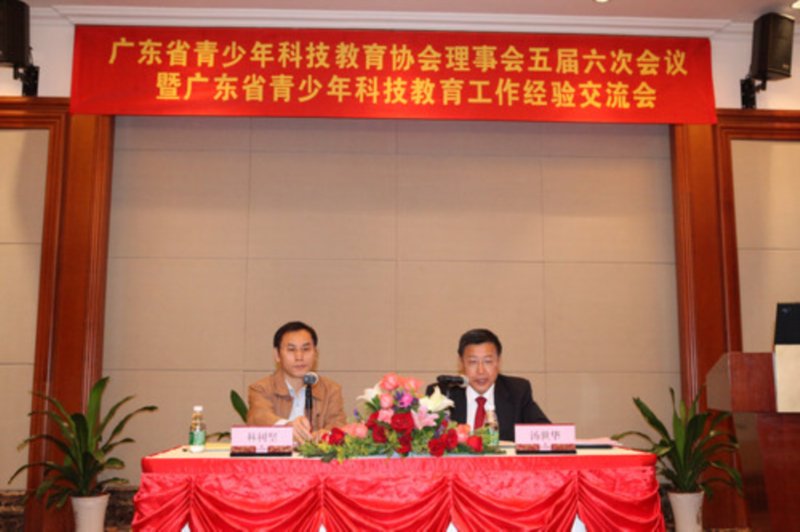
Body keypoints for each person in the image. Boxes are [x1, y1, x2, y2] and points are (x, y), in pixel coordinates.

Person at [427, 328, 549, 441]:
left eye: (488, 361)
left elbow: (545, 433)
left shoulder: (517, 391)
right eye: (473, 362)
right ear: (462, 363)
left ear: (498, 361)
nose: (481, 371)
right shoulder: (442, 394)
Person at [247, 321, 346, 443]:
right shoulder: (261, 388)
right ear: (277, 355)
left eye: (306, 349)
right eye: (291, 349)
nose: (299, 357)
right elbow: (259, 417)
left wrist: (327, 434)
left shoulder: (331, 390)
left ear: (315, 353)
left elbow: (338, 423)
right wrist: (286, 426)